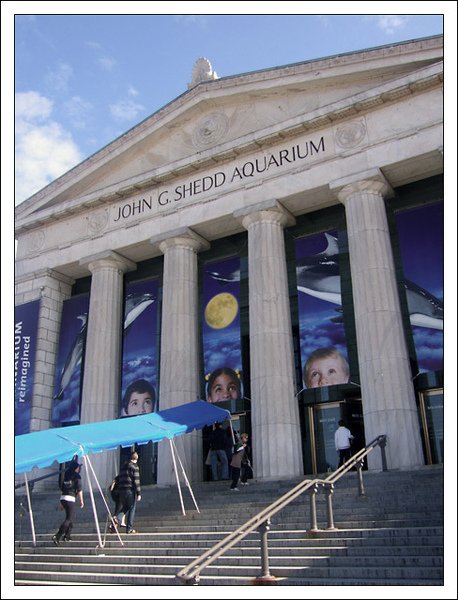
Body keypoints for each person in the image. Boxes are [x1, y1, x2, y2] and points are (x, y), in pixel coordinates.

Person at [53, 459, 84, 545]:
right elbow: (79, 489)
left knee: (71, 517)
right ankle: (58, 535)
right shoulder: (77, 476)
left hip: (63, 498)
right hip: (70, 498)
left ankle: (67, 535)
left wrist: (61, 503)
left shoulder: (67, 475)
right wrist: (81, 500)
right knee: (69, 518)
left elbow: (63, 488)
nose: (79, 469)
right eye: (78, 467)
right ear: (75, 468)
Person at [113, 451, 142, 534]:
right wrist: (139, 493)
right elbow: (136, 481)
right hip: (130, 490)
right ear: (137, 458)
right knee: (132, 507)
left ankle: (117, 518)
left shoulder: (123, 467)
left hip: (122, 490)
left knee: (125, 507)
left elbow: (118, 478)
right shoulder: (134, 467)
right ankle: (129, 528)